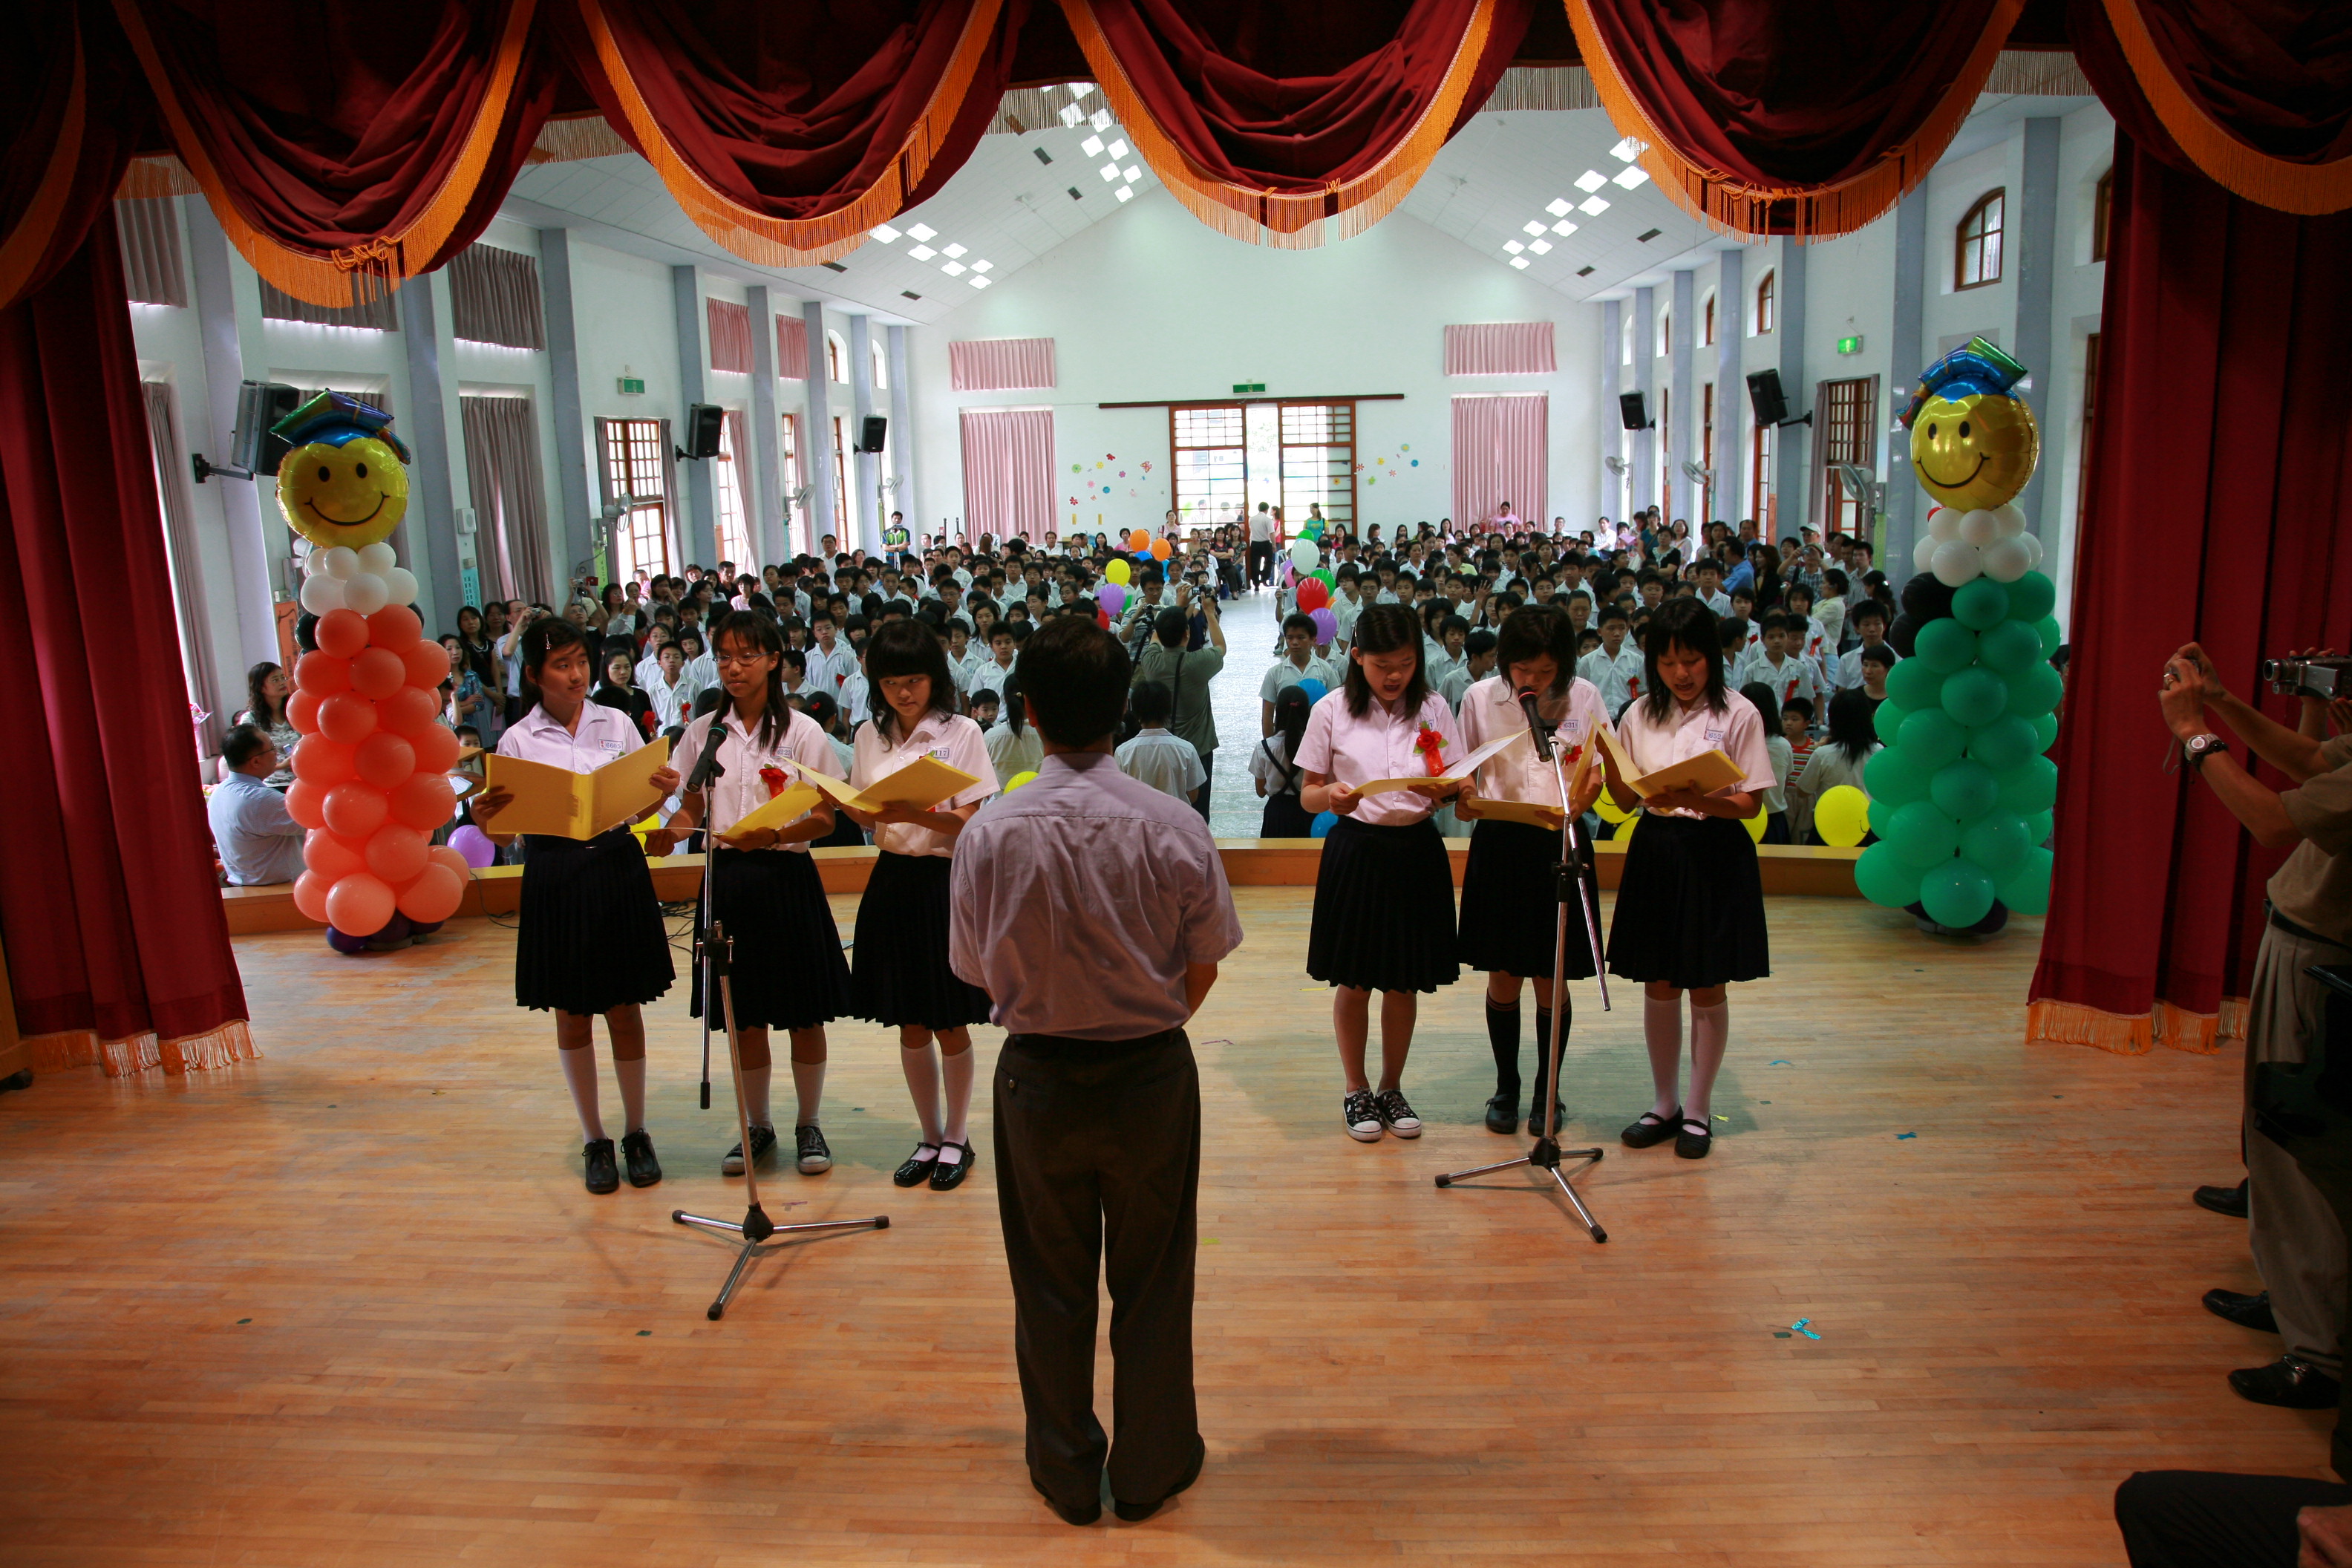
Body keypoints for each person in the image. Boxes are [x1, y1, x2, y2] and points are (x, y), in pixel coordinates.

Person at [948, 614, 1241, 1528]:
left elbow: (972, 970)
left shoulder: (989, 833)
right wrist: (1145, 1017)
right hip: (1150, 1075)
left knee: (1048, 1283)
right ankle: (1151, 1466)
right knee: (1154, 1281)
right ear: (1122, 708)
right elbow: (1203, 965)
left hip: (1036, 1078)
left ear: (1028, 711)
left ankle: (1067, 1471)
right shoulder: (1175, 826)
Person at [2162, 642, 2352, 1411]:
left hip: (2324, 957)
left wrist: (2194, 734)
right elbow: (2309, 760)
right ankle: (2295, 1299)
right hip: (2303, 942)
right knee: (2274, 1140)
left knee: (2300, 1150)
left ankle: (2317, 1352)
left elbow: (2272, 819)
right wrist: (2224, 702)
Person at [471, 618, 682, 1196]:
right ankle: (595, 1138)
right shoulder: (518, 740)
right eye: (561, 665)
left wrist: (659, 794)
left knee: (624, 1007)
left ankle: (636, 1131)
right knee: (572, 1012)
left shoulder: (616, 721)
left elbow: (639, 810)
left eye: (581, 662)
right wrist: (486, 821)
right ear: (534, 675)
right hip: (556, 875)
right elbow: (505, 836)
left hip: (616, 867)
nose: (575, 675)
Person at [644, 612, 855, 1178]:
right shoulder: (704, 732)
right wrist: (673, 831)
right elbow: (690, 806)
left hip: (786, 878)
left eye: (746, 656)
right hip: (727, 881)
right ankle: (757, 1126)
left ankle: (809, 1123)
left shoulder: (802, 732)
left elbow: (825, 817)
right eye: (724, 657)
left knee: (805, 1013)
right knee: (743, 1015)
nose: (734, 668)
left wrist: (776, 836)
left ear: (773, 660)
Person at [1598, 597, 1775, 1161]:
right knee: (1659, 981)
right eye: (1669, 662)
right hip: (1656, 848)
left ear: (1713, 658)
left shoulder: (1739, 713)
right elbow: (1626, 800)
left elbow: (1750, 803)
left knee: (1706, 981)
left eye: (1692, 661)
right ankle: (1664, 1103)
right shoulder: (1639, 714)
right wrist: (1606, 758)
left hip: (1715, 850)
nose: (1681, 673)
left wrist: (1702, 799)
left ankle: (1698, 1110)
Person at [1295, 603, 1467, 1143]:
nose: (1395, 676)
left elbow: (1456, 779)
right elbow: (1307, 794)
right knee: (1354, 978)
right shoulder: (1331, 709)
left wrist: (1450, 790)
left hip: (1417, 848)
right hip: (1357, 850)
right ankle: (1356, 1088)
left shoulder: (1433, 708)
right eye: (1382, 665)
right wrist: (1331, 795)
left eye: (1406, 664)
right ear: (1356, 656)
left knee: (1403, 979)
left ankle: (1391, 1086)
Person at [844, 619, 999, 1192]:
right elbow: (865, 810)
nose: (903, 693)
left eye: (913, 680)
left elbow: (971, 821)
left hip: (943, 882)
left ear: (934, 677)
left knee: (948, 1019)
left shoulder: (962, 732)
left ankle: (958, 1136)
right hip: (891, 881)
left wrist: (913, 813)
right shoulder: (870, 735)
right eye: (890, 683)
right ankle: (929, 1136)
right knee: (909, 1020)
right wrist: (843, 802)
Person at [1453, 607, 1611, 1135]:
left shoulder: (1584, 696)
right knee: (1503, 973)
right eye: (1523, 670)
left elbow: (1597, 769)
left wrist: (1580, 801)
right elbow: (1463, 768)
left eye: (1546, 671)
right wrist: (1467, 794)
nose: (1534, 681)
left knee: (1552, 973)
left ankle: (1549, 1088)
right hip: (1502, 841)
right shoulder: (1480, 698)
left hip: (1561, 839)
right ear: (1505, 661)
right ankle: (1507, 1086)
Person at [1131, 595, 1226, 823]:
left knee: (1162, 811)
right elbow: (1220, 647)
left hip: (1163, 750)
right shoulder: (1199, 662)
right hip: (1198, 747)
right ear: (1187, 633)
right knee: (1197, 813)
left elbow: (1157, 636)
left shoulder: (1151, 662)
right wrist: (1209, 612)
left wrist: (1176, 607)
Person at [208, 725, 306, 885]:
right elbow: (317, 821)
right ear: (256, 761)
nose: (277, 753)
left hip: (243, 883)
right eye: (272, 748)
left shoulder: (220, 792)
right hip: (276, 890)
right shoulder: (259, 800)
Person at [1790, 689, 1877, 844]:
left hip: (1827, 827)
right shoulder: (1879, 752)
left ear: (1834, 719)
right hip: (1867, 826)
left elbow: (1802, 791)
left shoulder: (1823, 754)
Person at [1115, 682, 1206, 804]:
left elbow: (1120, 794)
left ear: (1136, 711)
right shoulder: (1186, 749)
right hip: (1176, 815)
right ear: (1168, 710)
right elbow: (1193, 794)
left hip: (1140, 816)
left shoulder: (1123, 752)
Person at [1260, 612, 1340, 735]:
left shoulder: (1326, 670)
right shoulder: (1275, 673)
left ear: (1313, 640)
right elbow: (1267, 714)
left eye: (1301, 637)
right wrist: (1269, 743)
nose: (1295, 642)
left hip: (1319, 736)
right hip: (1285, 738)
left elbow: (1337, 707)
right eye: (1290, 638)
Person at [233, 662, 300, 788]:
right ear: (261, 688)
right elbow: (246, 759)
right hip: (271, 785)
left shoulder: (296, 712)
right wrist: (281, 765)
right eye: (275, 680)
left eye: (283, 678)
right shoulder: (250, 720)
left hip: (302, 782)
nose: (282, 683)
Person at [984, 672, 1045, 782]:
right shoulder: (1046, 735)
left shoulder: (990, 737)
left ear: (1004, 699)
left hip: (1002, 793)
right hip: (1039, 792)